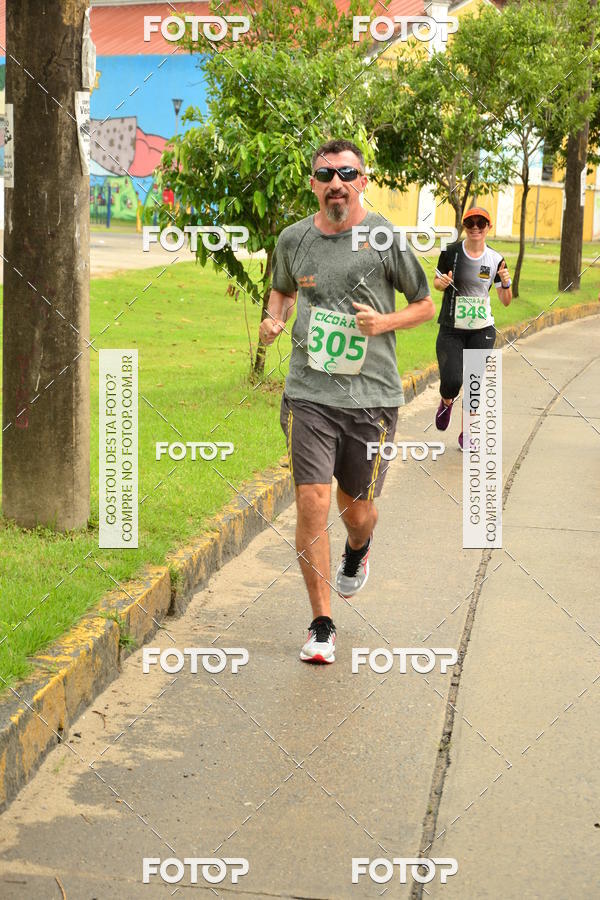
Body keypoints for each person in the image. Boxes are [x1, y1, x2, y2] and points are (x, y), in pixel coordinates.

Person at [258, 138, 435, 664]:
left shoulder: (384, 236)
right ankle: (321, 623)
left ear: (362, 179)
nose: (335, 182)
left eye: (346, 173)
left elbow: (424, 305)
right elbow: (284, 291)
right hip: (308, 393)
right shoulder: (293, 239)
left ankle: (357, 551)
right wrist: (275, 320)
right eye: (324, 173)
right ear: (313, 182)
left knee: (358, 513)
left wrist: (384, 323)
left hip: (372, 399)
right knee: (312, 501)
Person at [433, 207, 512, 448]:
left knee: (474, 380)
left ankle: (467, 433)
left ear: (489, 227)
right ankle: (446, 402)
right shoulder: (451, 252)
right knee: (452, 379)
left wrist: (507, 283)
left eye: (481, 223)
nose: (475, 227)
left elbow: (505, 301)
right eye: (470, 223)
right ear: (464, 225)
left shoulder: (496, 260)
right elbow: (436, 283)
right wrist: (442, 282)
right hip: (451, 328)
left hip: (482, 329)